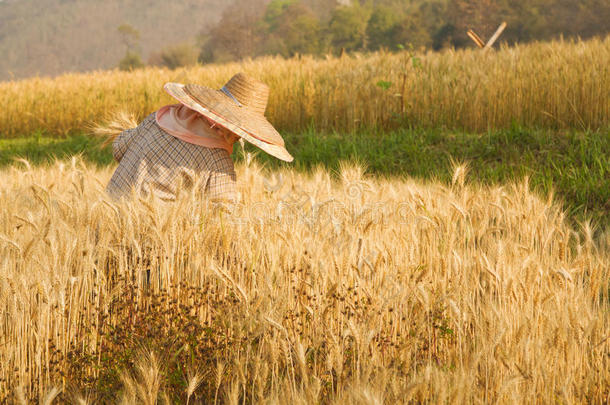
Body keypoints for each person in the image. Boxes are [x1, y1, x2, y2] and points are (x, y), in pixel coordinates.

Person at [106, 72, 293, 202]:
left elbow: (118, 149)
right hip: (152, 248)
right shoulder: (217, 161)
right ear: (235, 128)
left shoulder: (158, 118)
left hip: (103, 226)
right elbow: (222, 218)